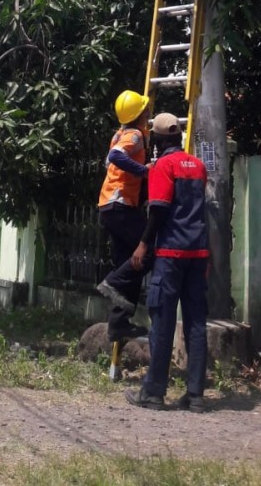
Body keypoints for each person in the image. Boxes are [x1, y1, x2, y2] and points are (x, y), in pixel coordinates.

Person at [126, 112, 209, 412]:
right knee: (196, 323)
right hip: (198, 254)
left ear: (159, 141)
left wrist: (142, 244)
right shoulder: (199, 166)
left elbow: (159, 210)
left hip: (171, 254)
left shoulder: (164, 166)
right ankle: (196, 395)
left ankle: (153, 392)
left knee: (162, 322)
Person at [96, 89, 152, 342]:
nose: (148, 112)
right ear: (139, 114)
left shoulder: (119, 134)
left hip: (109, 206)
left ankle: (118, 324)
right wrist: (144, 170)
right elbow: (115, 157)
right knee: (148, 251)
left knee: (131, 263)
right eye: (145, 110)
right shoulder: (134, 135)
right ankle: (114, 282)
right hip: (120, 207)